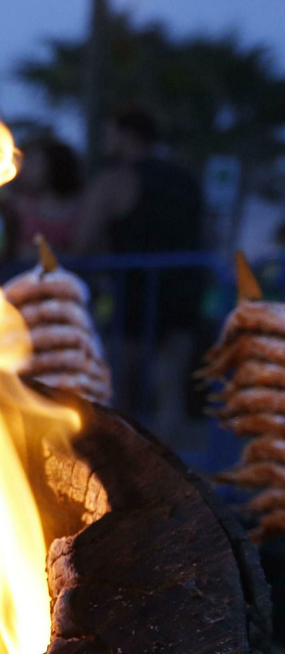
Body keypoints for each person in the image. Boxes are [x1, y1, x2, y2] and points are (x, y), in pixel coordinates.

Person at [74, 107, 205, 442]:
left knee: (122, 391)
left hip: (134, 294)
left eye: (110, 133)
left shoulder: (118, 180)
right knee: (169, 389)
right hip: (182, 293)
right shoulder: (185, 179)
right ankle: (174, 479)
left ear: (125, 135)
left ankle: (129, 477)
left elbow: (83, 240)